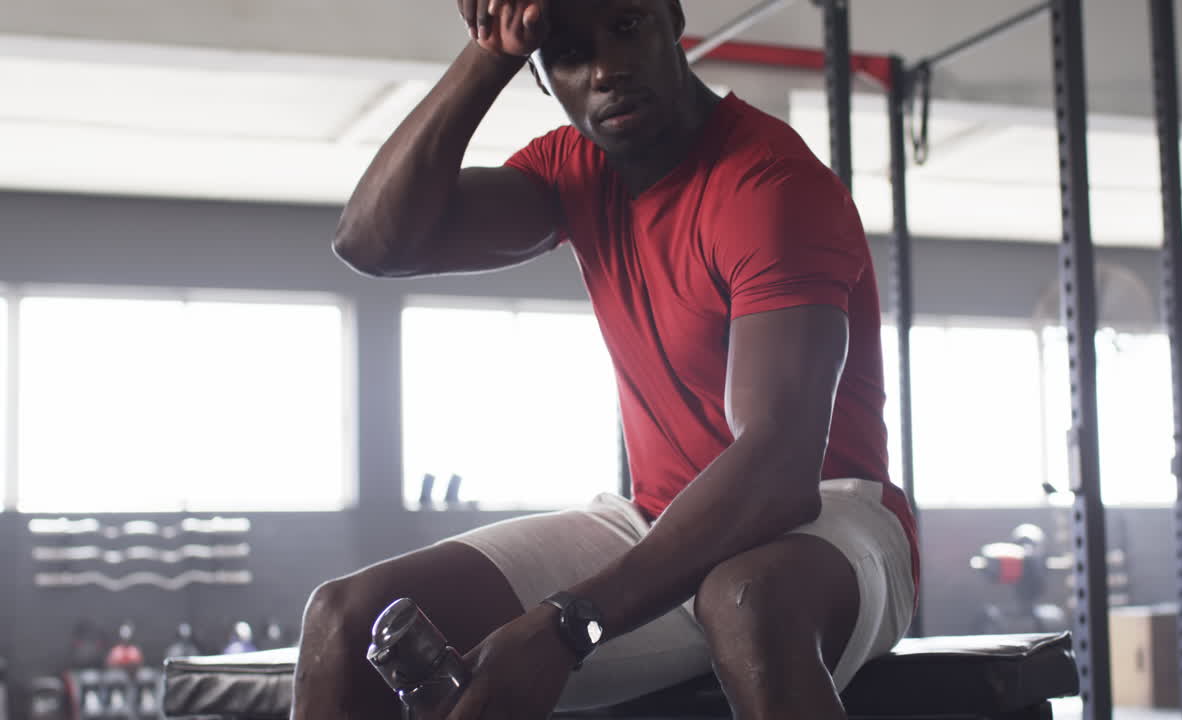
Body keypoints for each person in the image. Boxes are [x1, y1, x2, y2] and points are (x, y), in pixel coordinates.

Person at [297, 0, 919, 718]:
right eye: (567, 52)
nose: (607, 71)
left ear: (671, 17)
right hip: (656, 520)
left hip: (832, 520)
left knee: (746, 599)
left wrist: (568, 624)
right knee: (344, 622)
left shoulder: (771, 183)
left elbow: (781, 472)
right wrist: (489, 53)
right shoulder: (575, 172)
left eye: (626, 27)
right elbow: (375, 243)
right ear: (540, 75)